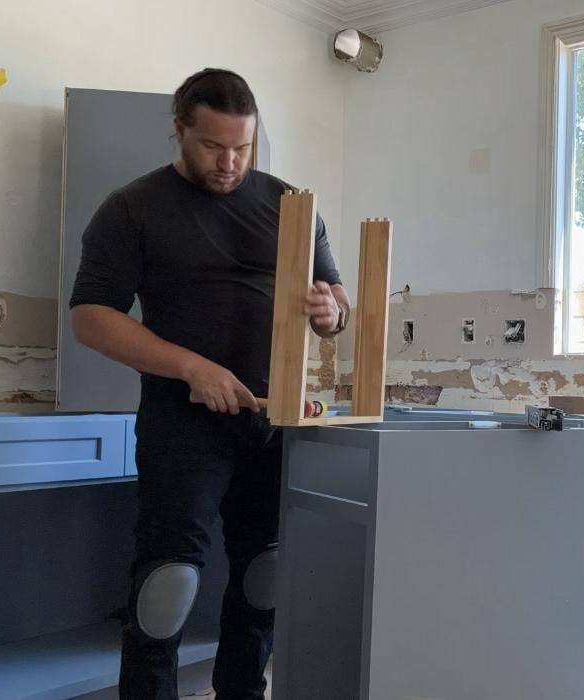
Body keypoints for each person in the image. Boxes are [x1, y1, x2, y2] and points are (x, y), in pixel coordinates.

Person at [69, 68, 349, 700]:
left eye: (242, 148)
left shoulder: (291, 206)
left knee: (263, 574)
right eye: (212, 147)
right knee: (168, 581)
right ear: (179, 130)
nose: (229, 163)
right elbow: (91, 317)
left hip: (273, 418)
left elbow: (336, 301)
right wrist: (191, 366)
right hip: (183, 423)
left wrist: (332, 312)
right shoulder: (133, 207)